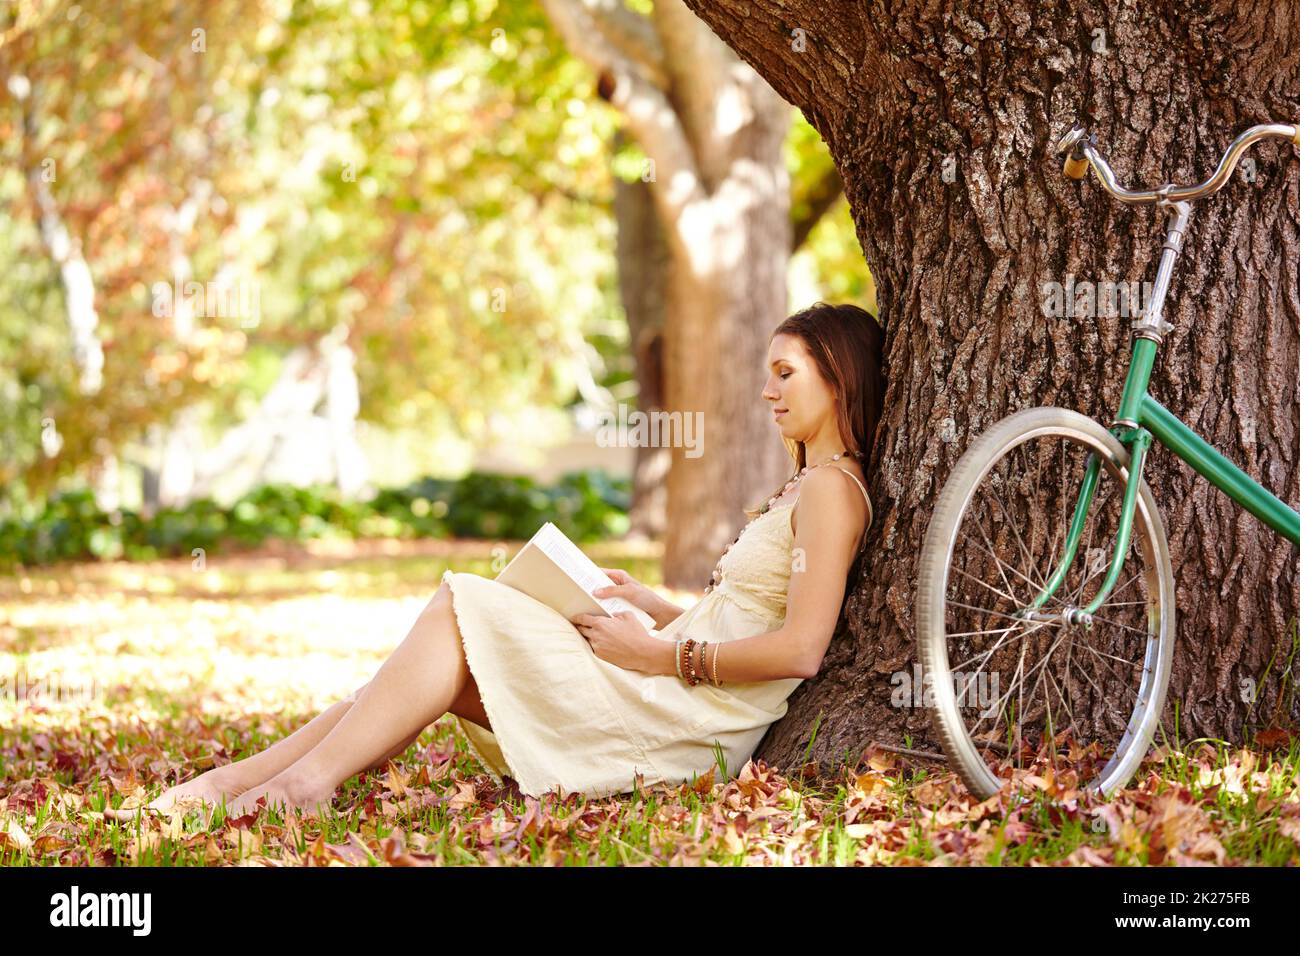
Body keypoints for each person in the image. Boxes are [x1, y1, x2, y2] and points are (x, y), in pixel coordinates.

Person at [104, 301, 886, 821]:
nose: (767, 391)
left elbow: (800, 649)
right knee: (448, 665)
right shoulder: (805, 486)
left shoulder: (832, 491)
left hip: (687, 722)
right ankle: (235, 786)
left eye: (786, 373)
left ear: (837, 375)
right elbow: (748, 614)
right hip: (668, 682)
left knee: (460, 608)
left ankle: (301, 784)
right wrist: (653, 606)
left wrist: (658, 653)